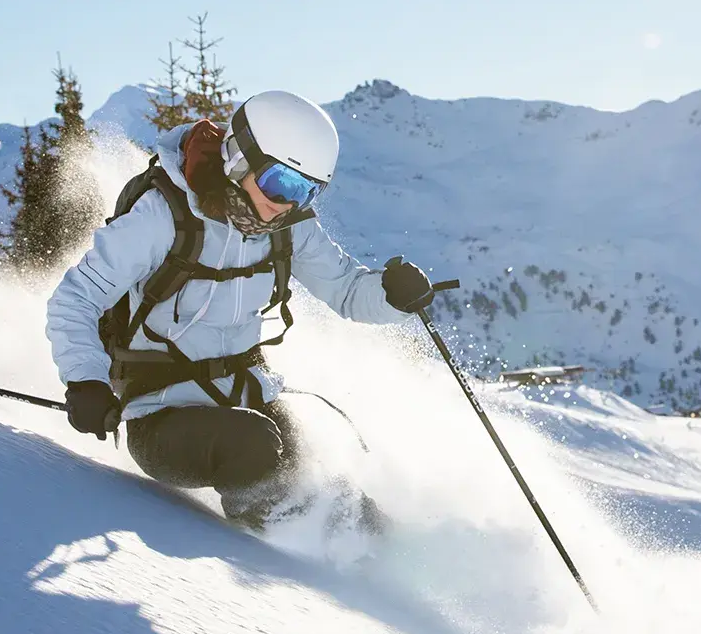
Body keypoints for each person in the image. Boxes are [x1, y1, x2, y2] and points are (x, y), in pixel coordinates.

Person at [45, 89, 434, 524]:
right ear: (239, 157)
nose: (286, 202)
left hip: (249, 399)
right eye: (280, 182)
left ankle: (384, 555)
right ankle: (290, 567)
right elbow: (76, 298)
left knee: (319, 467)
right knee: (253, 449)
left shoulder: (288, 228)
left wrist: (392, 295)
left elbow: (345, 290)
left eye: (306, 191)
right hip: (160, 416)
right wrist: (85, 381)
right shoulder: (162, 218)